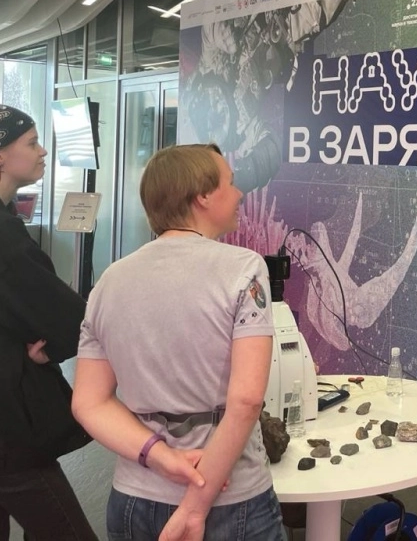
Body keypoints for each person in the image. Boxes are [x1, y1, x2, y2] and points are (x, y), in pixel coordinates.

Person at [72, 143, 284, 541]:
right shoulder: (243, 268)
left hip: (133, 498)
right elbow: (246, 401)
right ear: (202, 195)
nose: (239, 194)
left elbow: (89, 403)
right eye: (231, 183)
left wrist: (161, 456)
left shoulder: (109, 281)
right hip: (228, 502)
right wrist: (194, 507)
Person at [0, 103, 98, 540]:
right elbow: (66, 316)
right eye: (31, 143)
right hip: (3, 424)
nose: (43, 151)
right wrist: (49, 344)